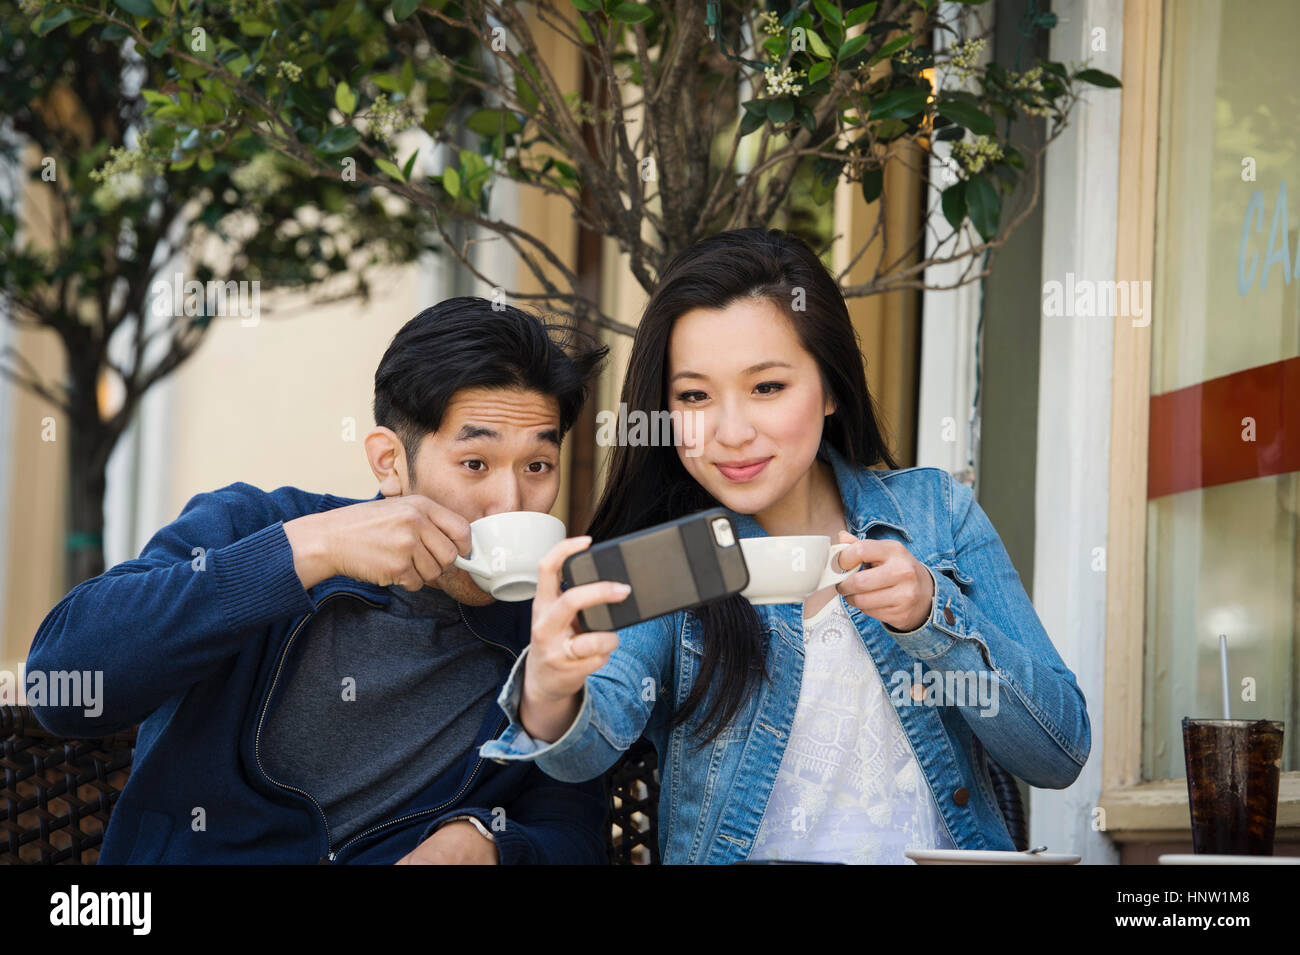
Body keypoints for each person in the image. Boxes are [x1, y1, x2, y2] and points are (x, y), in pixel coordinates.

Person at [481, 229, 1092, 864]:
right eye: (694, 396)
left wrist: (930, 615)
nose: (732, 432)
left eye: (767, 387)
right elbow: (587, 745)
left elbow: (1059, 753)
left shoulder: (934, 516)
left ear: (830, 389)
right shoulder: (670, 554)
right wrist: (550, 690)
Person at [26, 296, 613, 864]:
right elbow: (63, 682)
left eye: (538, 466)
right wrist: (307, 550)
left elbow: (576, 828)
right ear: (389, 462)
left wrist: (491, 845)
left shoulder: (545, 629)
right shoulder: (251, 526)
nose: (508, 502)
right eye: (475, 464)